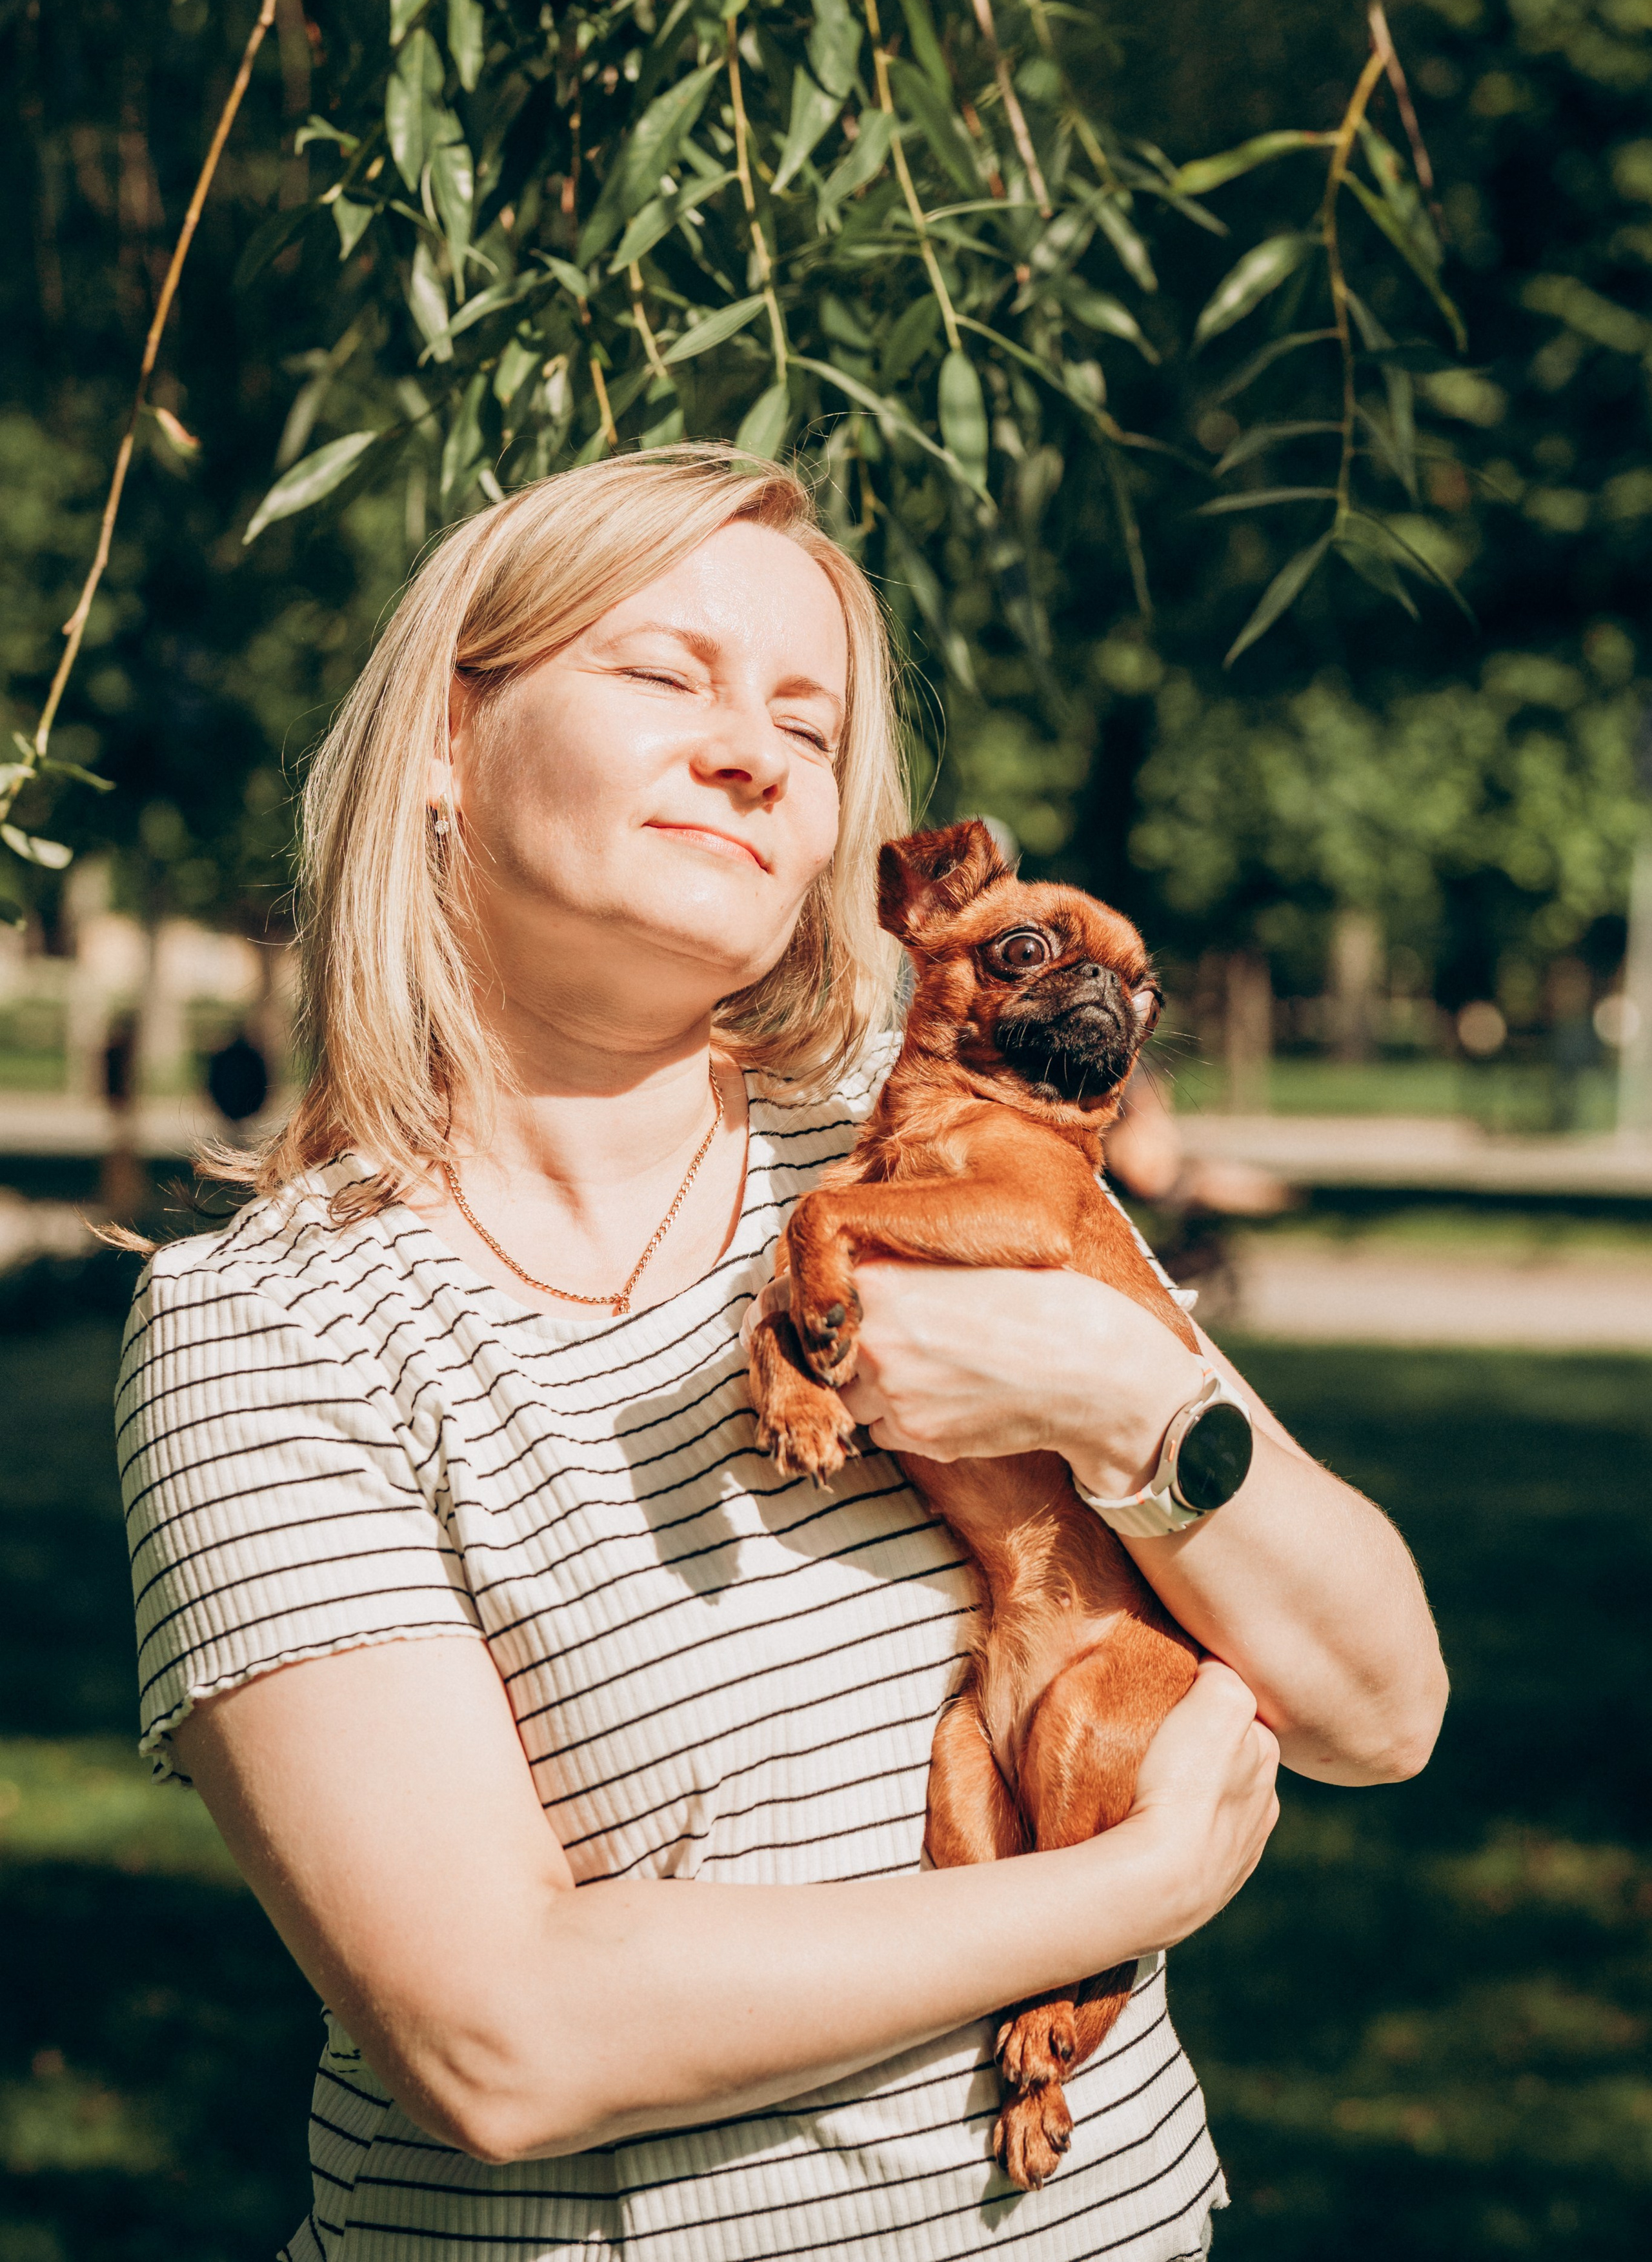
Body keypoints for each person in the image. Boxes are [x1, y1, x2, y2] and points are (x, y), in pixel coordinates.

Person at [116, 446, 1447, 2262]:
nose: (752, 749)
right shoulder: (269, 1330)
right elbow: (498, 2035)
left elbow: (1385, 1706)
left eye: (807, 729)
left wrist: (1120, 1392)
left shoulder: (938, 1136)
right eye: (666, 675)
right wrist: (1119, 1891)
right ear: (445, 742)